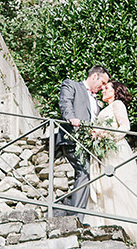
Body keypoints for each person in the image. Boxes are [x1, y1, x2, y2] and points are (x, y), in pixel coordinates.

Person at [87, 79, 137, 243]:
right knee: (107, 187)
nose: (103, 90)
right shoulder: (104, 109)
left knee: (118, 186)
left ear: (115, 91)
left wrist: (107, 136)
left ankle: (129, 229)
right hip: (105, 152)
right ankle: (110, 224)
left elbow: (124, 127)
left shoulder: (117, 105)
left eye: (107, 88)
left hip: (116, 151)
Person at [56, 64, 108, 215]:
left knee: (82, 174)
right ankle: (76, 215)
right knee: (85, 172)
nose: (103, 87)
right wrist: (71, 117)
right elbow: (65, 103)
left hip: (88, 144)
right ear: (93, 77)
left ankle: (66, 207)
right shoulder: (71, 85)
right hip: (72, 138)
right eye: (102, 82)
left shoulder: (96, 99)